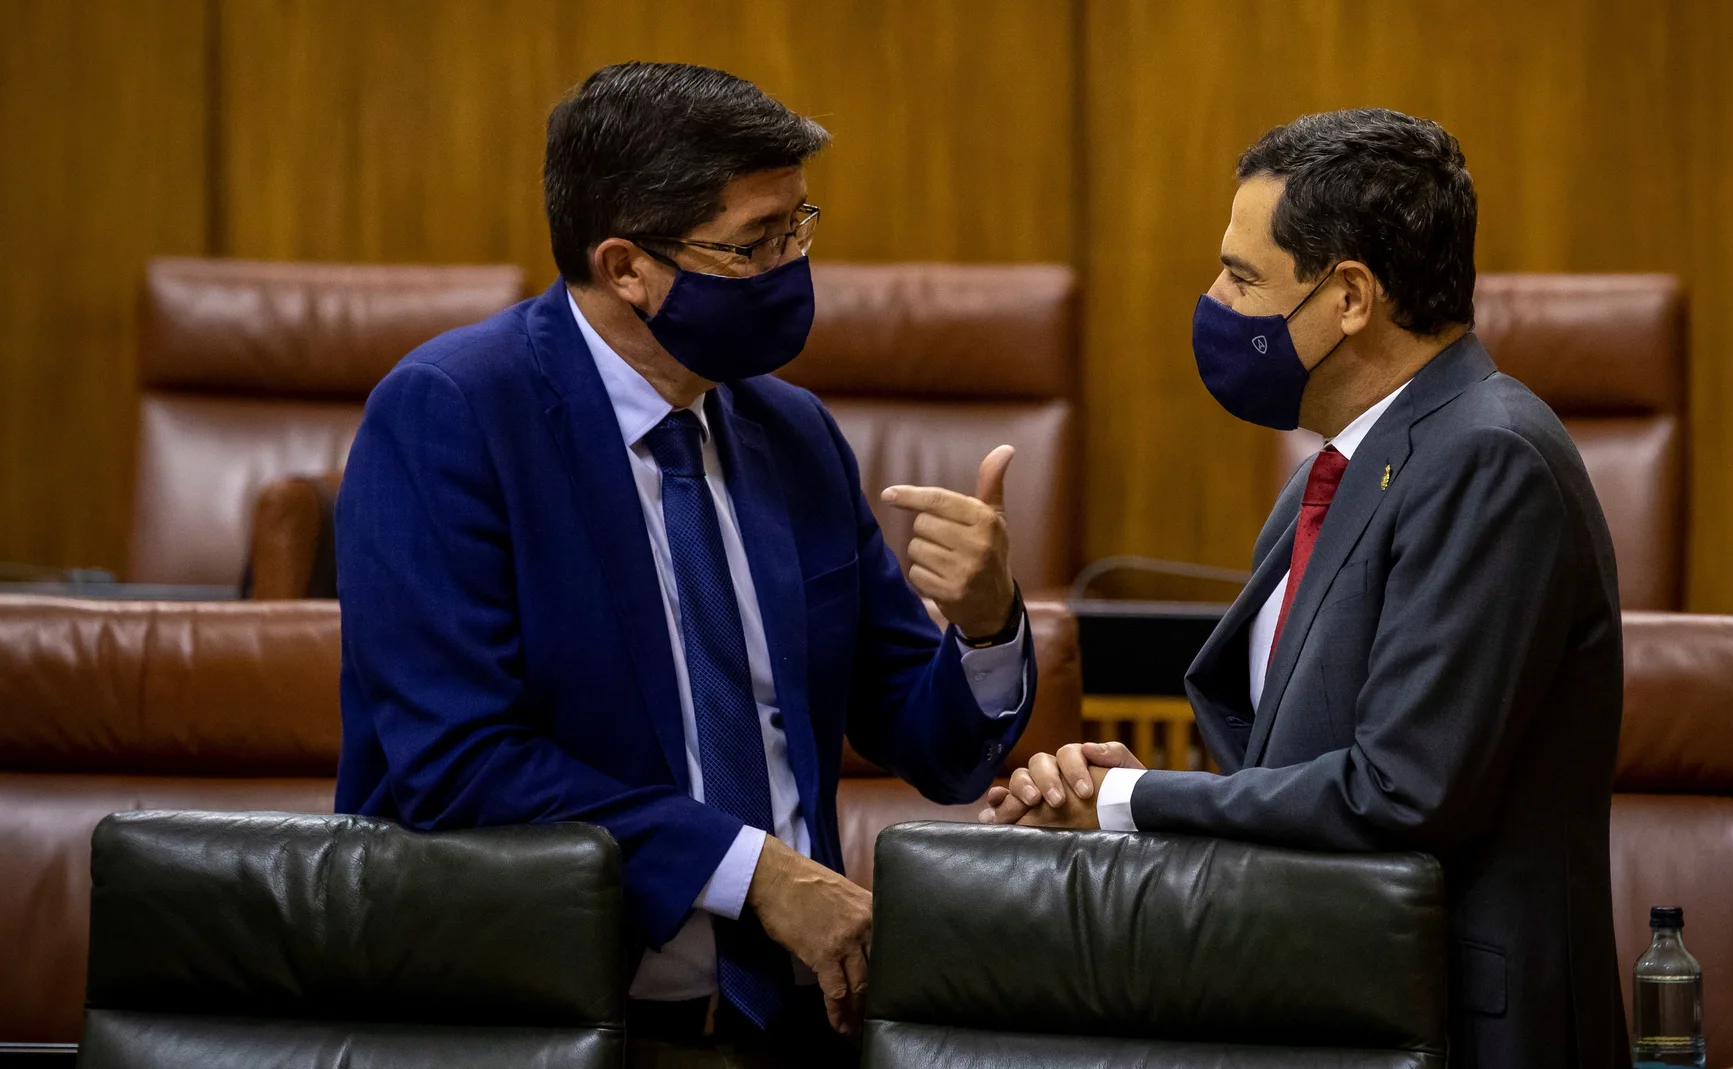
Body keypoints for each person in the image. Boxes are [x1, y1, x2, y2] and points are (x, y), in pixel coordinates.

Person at [334, 62, 1036, 1066]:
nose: (794, 267)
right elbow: (456, 763)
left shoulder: (790, 431)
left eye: (801, 227)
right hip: (550, 1027)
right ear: (626, 267)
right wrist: (753, 873)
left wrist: (983, 623)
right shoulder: (452, 415)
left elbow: (934, 746)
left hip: (802, 1027)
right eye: (756, 244)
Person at [983, 109, 1628, 1069]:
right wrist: (1154, 785)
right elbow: (1309, 758)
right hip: (1337, 994)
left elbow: (1399, 795)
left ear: (1351, 298)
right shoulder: (1340, 469)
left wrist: (1135, 800)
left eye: (1242, 278)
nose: (1213, 299)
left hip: (1460, 1025)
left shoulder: (1488, 459)